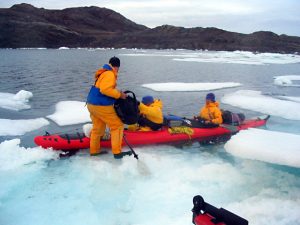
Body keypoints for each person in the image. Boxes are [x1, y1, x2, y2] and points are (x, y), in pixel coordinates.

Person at [86, 57, 132, 159]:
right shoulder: (110, 74)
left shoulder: (103, 73)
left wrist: (117, 92)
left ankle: (94, 152)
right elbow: (105, 90)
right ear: (117, 67)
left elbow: (103, 88)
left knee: (97, 129)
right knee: (117, 125)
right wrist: (120, 95)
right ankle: (117, 152)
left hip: (91, 104)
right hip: (101, 105)